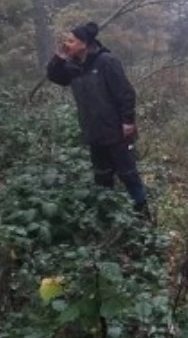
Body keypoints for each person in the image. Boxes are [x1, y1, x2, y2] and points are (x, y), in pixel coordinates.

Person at [46, 21, 152, 220]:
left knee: (128, 174)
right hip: (93, 131)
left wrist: (128, 121)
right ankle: (108, 217)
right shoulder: (72, 66)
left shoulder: (106, 61)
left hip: (117, 131)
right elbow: (54, 76)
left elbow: (125, 93)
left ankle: (144, 217)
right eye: (66, 40)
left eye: (71, 40)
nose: (67, 43)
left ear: (84, 43)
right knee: (102, 176)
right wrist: (59, 58)